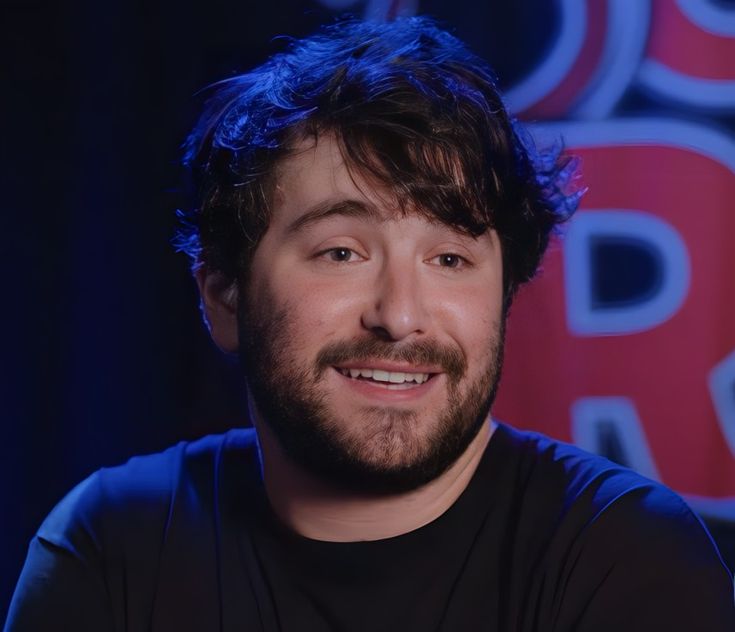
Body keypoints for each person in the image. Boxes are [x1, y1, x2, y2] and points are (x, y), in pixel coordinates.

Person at [5, 16, 734, 632]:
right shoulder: (114, 547)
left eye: (449, 258)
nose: (400, 314)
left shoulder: (626, 556)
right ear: (223, 297)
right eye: (341, 251)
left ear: (504, 300)